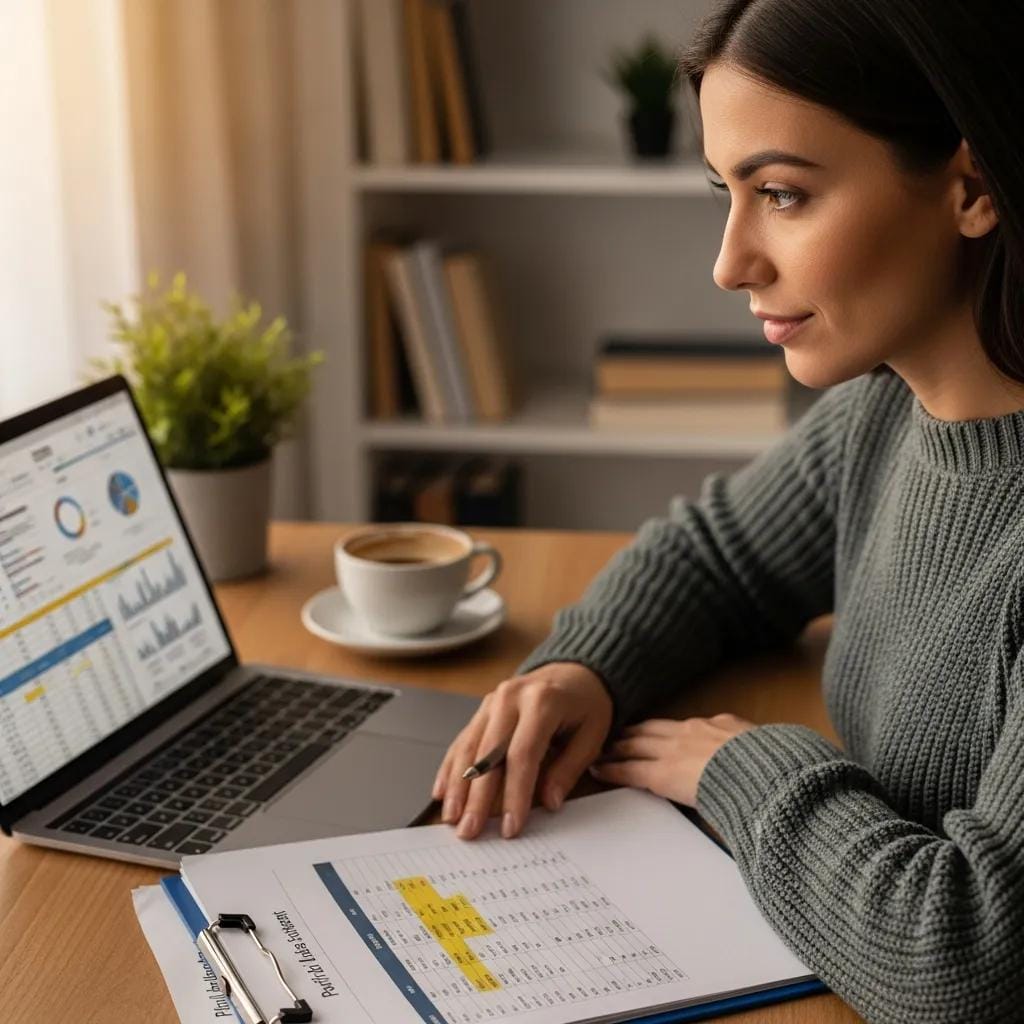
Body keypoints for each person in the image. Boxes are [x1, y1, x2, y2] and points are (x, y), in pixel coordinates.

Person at [433, 1, 1024, 1020]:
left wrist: (740, 766)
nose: (729, 262)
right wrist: (586, 667)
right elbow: (717, 555)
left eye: (783, 194)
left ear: (971, 188)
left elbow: (965, 958)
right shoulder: (886, 412)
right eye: (728, 192)